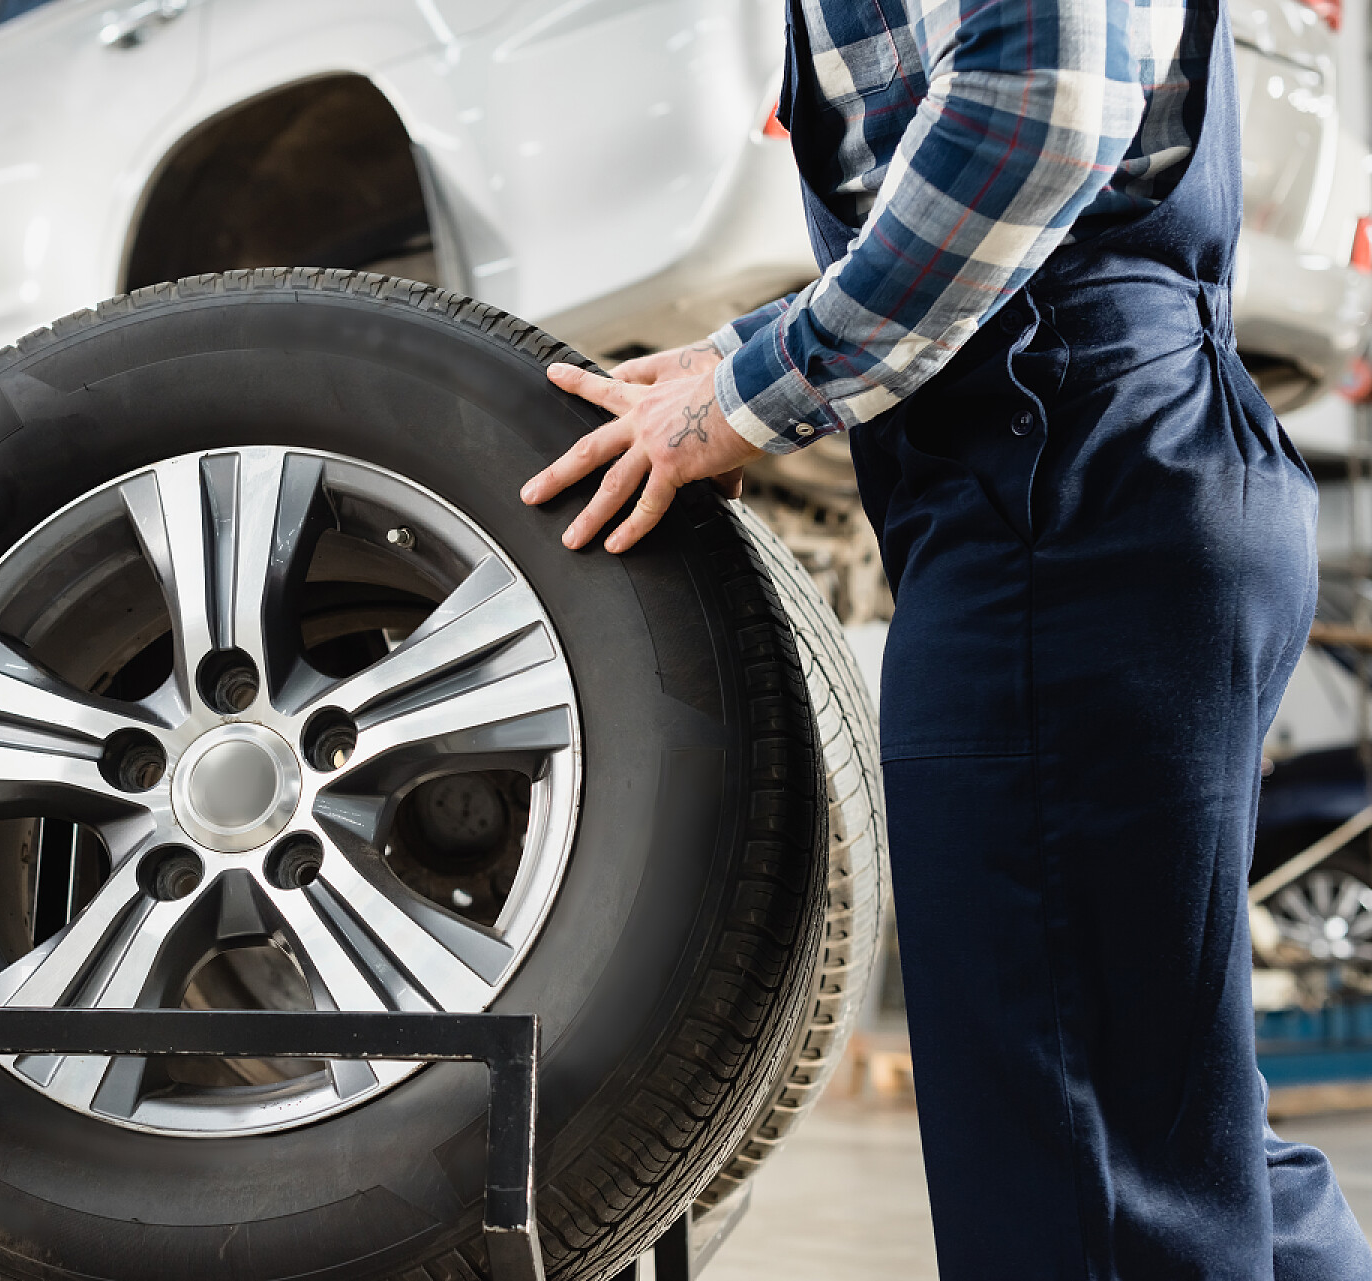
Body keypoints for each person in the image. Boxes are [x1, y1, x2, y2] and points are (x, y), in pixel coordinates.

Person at [522, 0, 1372, 1275]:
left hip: (1062, 495)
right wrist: (737, 356)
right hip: (1130, 472)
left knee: (1079, 1170)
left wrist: (759, 396)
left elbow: (1039, 110)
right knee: (1167, 1128)